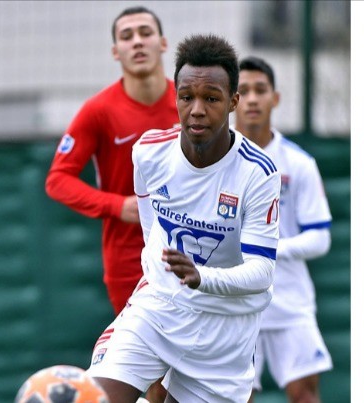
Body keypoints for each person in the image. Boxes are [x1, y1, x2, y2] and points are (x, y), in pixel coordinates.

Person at [87, 34, 281, 403]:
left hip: (224, 332)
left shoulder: (258, 173)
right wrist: (160, 270)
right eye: (187, 97)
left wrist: (201, 277)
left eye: (211, 98)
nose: (197, 110)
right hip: (159, 309)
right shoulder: (149, 152)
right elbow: (151, 225)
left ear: (233, 101)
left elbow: (262, 272)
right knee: (96, 398)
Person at [45, 6, 179, 316]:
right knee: (141, 345)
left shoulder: (189, 104)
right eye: (127, 36)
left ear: (162, 43)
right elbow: (57, 180)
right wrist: (117, 206)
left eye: (145, 33)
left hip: (192, 249)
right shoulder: (98, 111)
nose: (137, 41)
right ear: (115, 51)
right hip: (128, 259)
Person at [234, 56, 333, 403]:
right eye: (244, 91)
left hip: (290, 302)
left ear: (275, 98)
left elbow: (320, 237)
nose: (252, 99)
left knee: (305, 394)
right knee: (238, 396)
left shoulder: (299, 163)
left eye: (260, 90)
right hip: (235, 302)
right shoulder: (215, 161)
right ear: (232, 100)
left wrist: (271, 249)